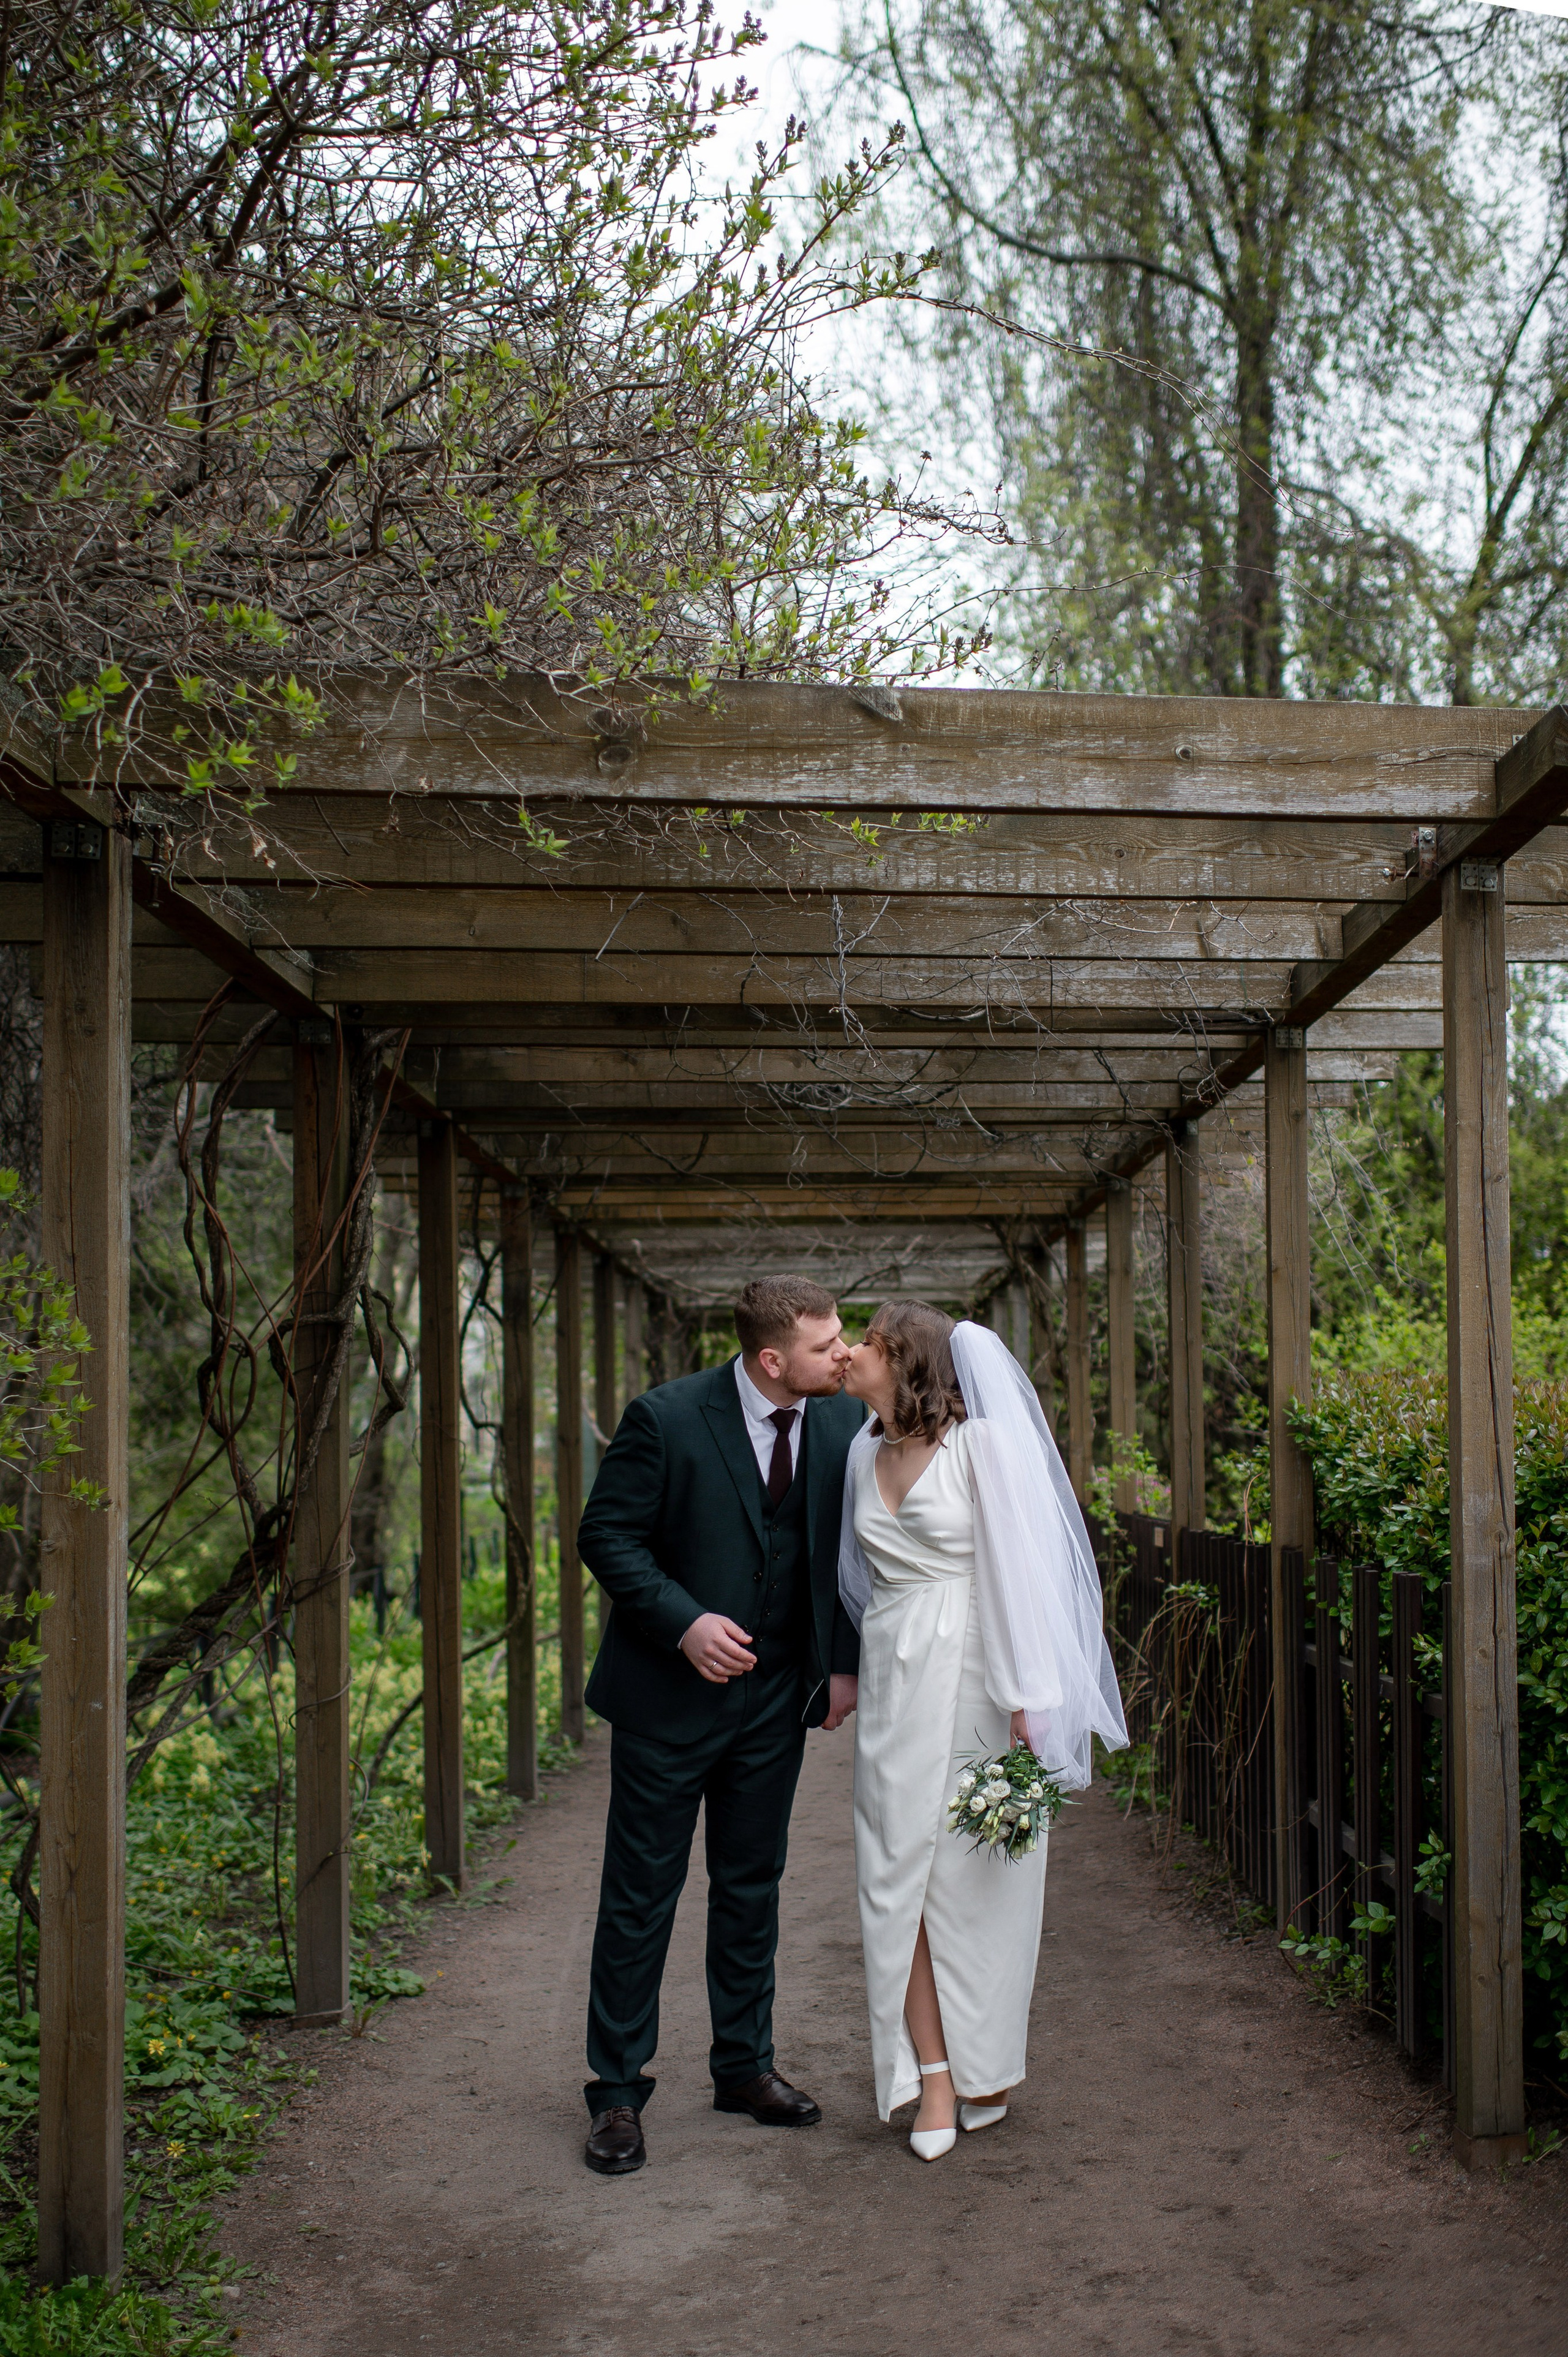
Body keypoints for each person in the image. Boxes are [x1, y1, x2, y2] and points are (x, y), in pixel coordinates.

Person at [575, 1274, 867, 2176]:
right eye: (827, 1345)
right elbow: (606, 1536)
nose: (844, 1352)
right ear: (773, 1359)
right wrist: (684, 1621)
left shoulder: (842, 1424)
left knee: (753, 1886)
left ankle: (744, 2067)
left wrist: (843, 1663)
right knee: (641, 1894)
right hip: (667, 1701)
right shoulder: (665, 1418)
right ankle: (618, 2091)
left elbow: (853, 1551)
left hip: (775, 1700)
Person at [840, 1300, 1127, 2160]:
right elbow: (860, 1582)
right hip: (896, 1681)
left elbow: (1022, 1575)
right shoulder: (860, 1452)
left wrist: (1029, 1698)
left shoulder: (981, 1448)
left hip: (974, 1679)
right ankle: (930, 2075)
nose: (851, 1353)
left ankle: (986, 2064)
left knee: (976, 1886)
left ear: (907, 1362)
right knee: (898, 1883)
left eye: (869, 1343)